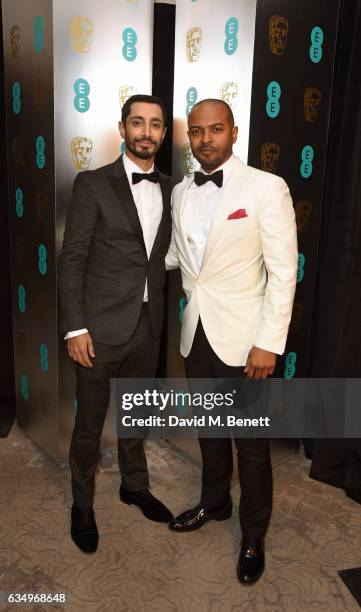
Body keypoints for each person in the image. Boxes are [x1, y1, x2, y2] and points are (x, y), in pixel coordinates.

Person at [166, 99, 298, 584]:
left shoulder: (266, 188)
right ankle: (215, 502)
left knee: (252, 444)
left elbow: (284, 274)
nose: (205, 140)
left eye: (215, 129)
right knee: (209, 429)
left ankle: (254, 532)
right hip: (196, 332)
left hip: (247, 342)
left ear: (234, 132)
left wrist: (268, 343)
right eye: (197, 132)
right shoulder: (181, 192)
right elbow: (179, 257)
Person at [59, 94, 173, 554]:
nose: (147, 132)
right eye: (138, 123)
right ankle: (82, 504)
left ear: (164, 134)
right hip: (98, 331)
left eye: (156, 125)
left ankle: (134, 485)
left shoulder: (173, 186)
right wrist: (74, 328)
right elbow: (72, 260)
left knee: (137, 414)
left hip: (148, 327)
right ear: (122, 128)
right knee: (89, 424)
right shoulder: (92, 183)